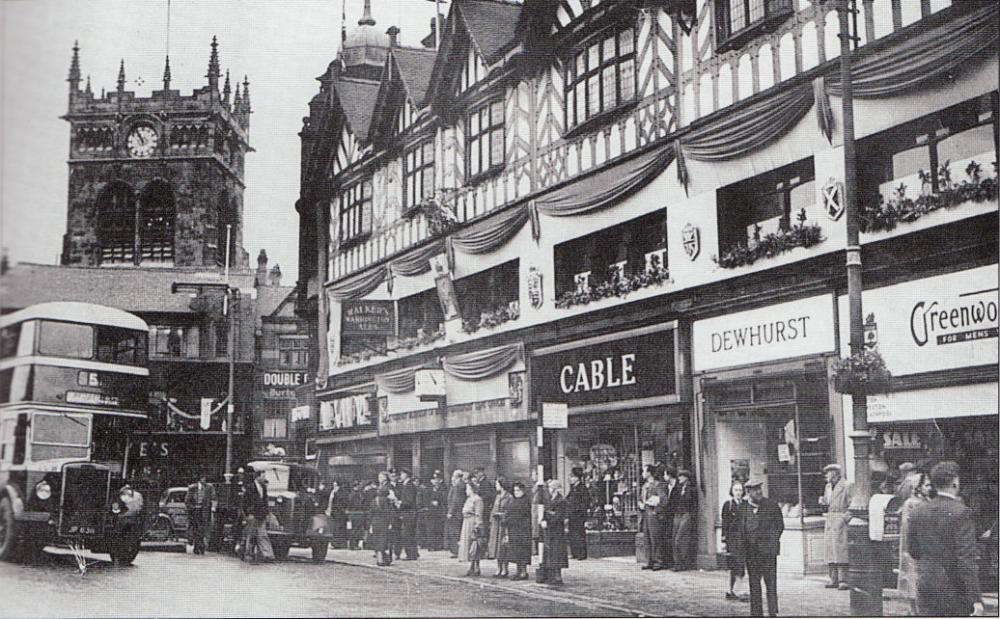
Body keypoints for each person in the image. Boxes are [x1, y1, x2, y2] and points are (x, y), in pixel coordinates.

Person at [907, 461, 984, 617]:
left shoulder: (918, 511)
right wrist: (975, 598)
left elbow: (913, 551)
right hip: (954, 586)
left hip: (926, 582)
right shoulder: (961, 512)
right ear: (955, 482)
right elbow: (966, 558)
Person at [743, 479, 784, 618]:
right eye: (755, 490)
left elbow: (779, 526)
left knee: (771, 584)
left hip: (768, 552)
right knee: (754, 585)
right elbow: (739, 529)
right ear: (748, 492)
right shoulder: (743, 508)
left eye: (760, 488)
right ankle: (756, 614)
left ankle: (773, 612)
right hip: (751, 554)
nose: (759, 492)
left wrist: (771, 542)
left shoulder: (771, 506)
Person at [897, 471, 932, 615]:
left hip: (926, 545)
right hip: (914, 546)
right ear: (918, 487)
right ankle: (914, 610)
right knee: (913, 576)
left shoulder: (927, 501)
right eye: (926, 485)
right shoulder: (911, 503)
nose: (929, 488)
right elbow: (908, 527)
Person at [819, 463, 852, 590]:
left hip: (840, 520)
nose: (826, 475)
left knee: (841, 550)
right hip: (830, 519)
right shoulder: (828, 487)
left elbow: (853, 505)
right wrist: (823, 502)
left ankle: (844, 579)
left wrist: (844, 519)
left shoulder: (847, 485)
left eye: (828, 473)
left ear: (835, 473)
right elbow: (828, 502)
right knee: (830, 550)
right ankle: (833, 578)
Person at [721, 479, 749, 602]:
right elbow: (725, 523)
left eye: (740, 490)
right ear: (732, 491)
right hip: (732, 539)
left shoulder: (746, 505)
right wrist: (723, 539)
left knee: (741, 564)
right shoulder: (728, 505)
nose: (738, 492)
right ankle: (731, 589)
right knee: (733, 564)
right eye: (736, 490)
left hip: (743, 539)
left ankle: (739, 589)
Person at [538, 479, 569, 585]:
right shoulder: (548, 499)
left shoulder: (561, 501)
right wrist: (543, 520)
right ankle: (551, 575)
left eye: (551, 488)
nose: (549, 490)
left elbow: (559, 516)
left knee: (557, 553)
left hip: (557, 531)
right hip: (549, 530)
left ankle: (557, 576)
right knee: (550, 552)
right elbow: (546, 512)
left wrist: (548, 521)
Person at [241, 468, 275, 563]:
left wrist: (267, 513)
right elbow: (244, 502)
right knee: (251, 535)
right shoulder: (250, 487)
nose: (264, 478)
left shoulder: (263, 488)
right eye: (263, 476)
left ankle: (267, 555)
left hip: (261, 514)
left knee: (263, 535)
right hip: (253, 514)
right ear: (257, 477)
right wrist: (247, 514)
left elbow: (265, 501)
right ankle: (248, 555)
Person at [640, 464, 670, 571]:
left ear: (649, 473)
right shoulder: (645, 486)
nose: (643, 474)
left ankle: (659, 560)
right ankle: (649, 560)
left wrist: (656, 511)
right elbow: (641, 498)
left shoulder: (658, 485)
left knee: (655, 538)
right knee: (647, 538)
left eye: (644, 471)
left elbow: (663, 499)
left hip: (654, 514)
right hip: (645, 513)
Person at [505, 481, 533, 581]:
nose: (516, 492)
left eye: (518, 490)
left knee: (523, 551)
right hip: (513, 529)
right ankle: (518, 570)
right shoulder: (514, 500)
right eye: (515, 490)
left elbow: (524, 515)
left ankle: (523, 572)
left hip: (522, 530)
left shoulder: (525, 501)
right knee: (516, 551)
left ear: (522, 491)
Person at [671, 469, 697, 570]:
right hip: (677, 514)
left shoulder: (692, 489)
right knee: (674, 539)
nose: (679, 478)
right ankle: (677, 563)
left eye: (681, 476)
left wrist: (691, 515)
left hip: (686, 514)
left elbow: (694, 504)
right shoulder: (678, 488)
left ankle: (683, 562)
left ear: (686, 477)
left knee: (680, 539)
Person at [459, 480, 485, 576]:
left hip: (472, 523)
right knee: (468, 545)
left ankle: (476, 567)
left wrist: (477, 526)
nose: (466, 491)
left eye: (467, 488)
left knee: (474, 546)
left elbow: (478, 514)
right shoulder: (469, 499)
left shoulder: (477, 499)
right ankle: (471, 566)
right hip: (466, 523)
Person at [488, 478, 513, 577]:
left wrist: (502, 515)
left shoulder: (509, 497)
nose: (496, 486)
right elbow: (493, 509)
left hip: (504, 525)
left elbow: (510, 511)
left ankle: (505, 569)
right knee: (496, 547)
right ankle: (498, 568)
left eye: (497, 484)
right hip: (496, 525)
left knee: (504, 547)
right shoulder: (497, 497)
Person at [185, 474, 215, 555]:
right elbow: (187, 501)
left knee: (202, 530)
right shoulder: (192, 488)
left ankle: (199, 547)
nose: (204, 480)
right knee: (196, 529)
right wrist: (193, 508)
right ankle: (198, 547)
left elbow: (213, 498)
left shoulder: (209, 487)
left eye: (205, 478)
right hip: (195, 511)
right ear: (199, 479)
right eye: (203, 478)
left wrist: (211, 508)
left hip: (204, 512)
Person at [368, 487, 397, 566]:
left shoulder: (373, 501)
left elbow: (370, 514)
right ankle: (382, 560)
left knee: (376, 540)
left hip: (374, 522)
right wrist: (391, 522)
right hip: (383, 522)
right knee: (383, 540)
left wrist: (370, 524)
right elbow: (389, 512)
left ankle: (379, 559)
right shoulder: (387, 501)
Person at [566, 467, 590, 560]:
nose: (570, 479)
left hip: (579, 515)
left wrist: (582, 514)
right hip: (572, 515)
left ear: (577, 478)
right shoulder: (573, 488)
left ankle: (582, 554)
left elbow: (585, 502)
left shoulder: (582, 488)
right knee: (572, 534)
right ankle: (575, 553)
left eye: (572, 477)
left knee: (579, 534)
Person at [396, 469, 419, 560]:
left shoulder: (409, 485)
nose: (400, 475)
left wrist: (400, 503)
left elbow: (409, 501)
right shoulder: (406, 485)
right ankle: (413, 553)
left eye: (402, 474)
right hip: (408, 513)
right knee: (409, 534)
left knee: (408, 534)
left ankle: (411, 554)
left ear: (406, 475)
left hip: (409, 513)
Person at [422, 471, 447, 551]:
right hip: (430, 511)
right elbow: (425, 499)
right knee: (430, 529)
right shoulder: (428, 489)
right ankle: (431, 545)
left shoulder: (443, 488)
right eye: (434, 479)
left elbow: (445, 500)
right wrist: (430, 503)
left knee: (438, 528)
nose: (436, 481)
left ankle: (438, 545)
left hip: (439, 512)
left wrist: (439, 502)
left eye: (438, 479)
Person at [446, 470, 466, 558]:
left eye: (453, 476)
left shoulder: (458, 486)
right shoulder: (457, 485)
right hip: (457, 512)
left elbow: (455, 501)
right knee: (455, 532)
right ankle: (456, 551)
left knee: (455, 532)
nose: (452, 478)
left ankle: (456, 551)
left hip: (456, 513)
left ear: (457, 477)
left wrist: (450, 512)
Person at [326, 479, 349, 548]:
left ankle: (337, 543)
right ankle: (338, 543)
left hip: (338, 513)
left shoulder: (339, 493)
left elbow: (340, 503)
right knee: (337, 528)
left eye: (335, 485)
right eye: (333, 485)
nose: (334, 487)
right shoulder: (333, 492)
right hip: (336, 513)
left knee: (338, 529)